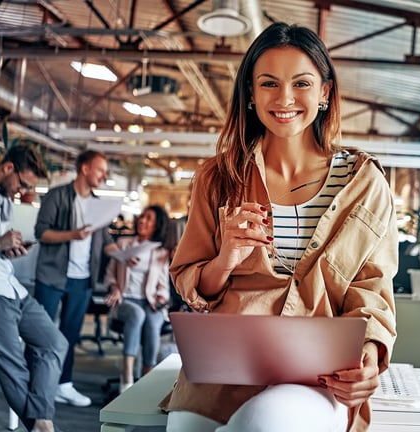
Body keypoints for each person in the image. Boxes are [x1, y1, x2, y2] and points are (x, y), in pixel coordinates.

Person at [162, 22, 397, 432]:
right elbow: (190, 281)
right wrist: (224, 259)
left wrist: (371, 357)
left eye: (301, 83)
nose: (284, 98)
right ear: (251, 94)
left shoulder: (364, 184)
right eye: (269, 83)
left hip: (320, 376)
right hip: (222, 375)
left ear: (324, 92)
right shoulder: (218, 178)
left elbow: (373, 293)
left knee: (265, 421)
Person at [34, 149, 119, 407]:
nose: (104, 175)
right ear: (85, 169)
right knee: (41, 331)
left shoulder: (98, 205)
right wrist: (73, 234)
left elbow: (105, 241)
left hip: (82, 280)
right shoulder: (57, 196)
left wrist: (126, 255)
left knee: (70, 333)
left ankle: (64, 384)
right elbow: (41, 233)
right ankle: (36, 382)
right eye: (101, 169)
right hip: (52, 275)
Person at [0, 144, 68, 432]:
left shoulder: (5, 200)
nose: (22, 191)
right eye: (23, 184)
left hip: (12, 285)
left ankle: (40, 422)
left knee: (54, 343)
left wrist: (8, 248)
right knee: (14, 367)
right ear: (8, 168)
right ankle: (43, 427)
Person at [104, 205, 170, 393]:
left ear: (156, 226)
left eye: (149, 219)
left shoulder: (160, 252)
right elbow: (109, 275)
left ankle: (147, 374)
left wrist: (160, 298)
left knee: (153, 320)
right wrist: (115, 288)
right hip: (125, 300)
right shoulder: (123, 243)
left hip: (149, 302)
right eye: (142, 216)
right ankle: (127, 375)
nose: (143, 221)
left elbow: (163, 286)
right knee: (137, 314)